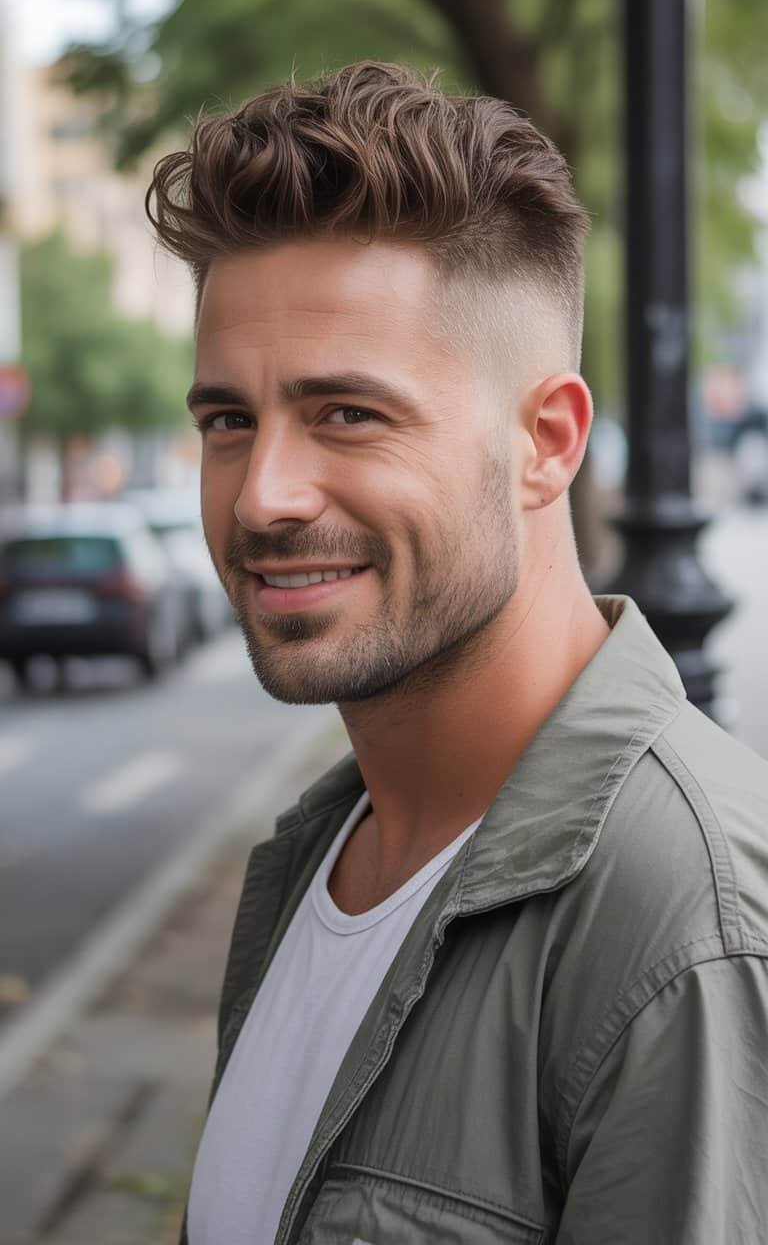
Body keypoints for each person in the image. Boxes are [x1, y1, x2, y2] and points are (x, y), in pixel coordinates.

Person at [147, 62, 768, 1244]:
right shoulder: (321, 855)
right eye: (230, 420)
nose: (262, 495)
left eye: (348, 413)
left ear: (546, 443)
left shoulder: (686, 928)